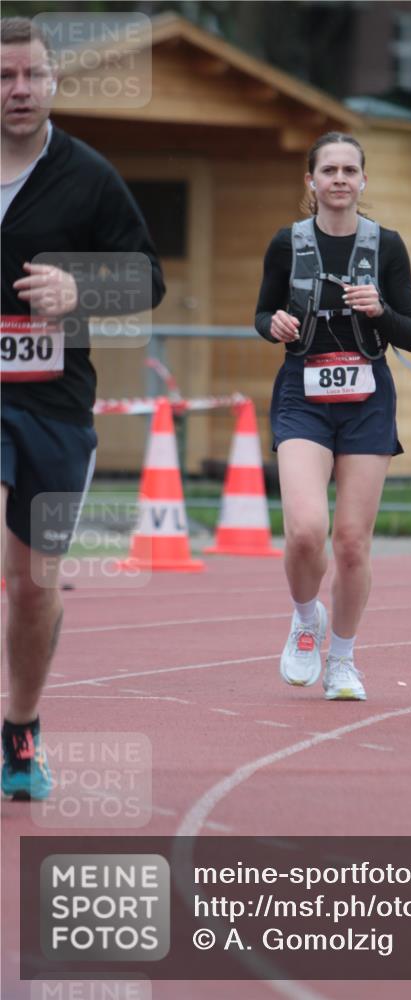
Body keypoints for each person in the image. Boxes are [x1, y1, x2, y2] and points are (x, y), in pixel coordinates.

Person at [1, 17, 165, 799]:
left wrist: (80, 288)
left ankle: (21, 732)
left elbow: (147, 279)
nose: (19, 90)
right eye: (4, 78)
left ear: (54, 81)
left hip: (56, 407)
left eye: (31, 75)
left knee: (34, 584)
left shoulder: (88, 175)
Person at [255, 131, 411, 701]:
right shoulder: (287, 243)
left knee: (351, 542)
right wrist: (272, 324)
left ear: (364, 180)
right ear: (311, 181)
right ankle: (307, 620)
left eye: (351, 170)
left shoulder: (387, 246)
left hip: (367, 398)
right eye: (329, 170)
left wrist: (381, 310)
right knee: (306, 531)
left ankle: (343, 660)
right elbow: (263, 311)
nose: (340, 179)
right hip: (304, 395)